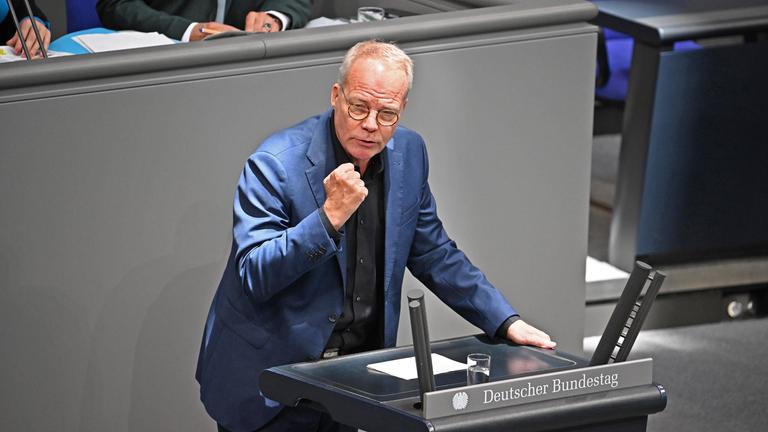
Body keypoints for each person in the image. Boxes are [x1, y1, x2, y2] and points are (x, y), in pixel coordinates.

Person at [195, 40, 557, 432]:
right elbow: (255, 274)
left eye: (387, 113)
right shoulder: (275, 164)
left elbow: (434, 252)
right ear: (337, 96)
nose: (371, 124)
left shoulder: (410, 153)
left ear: (402, 110)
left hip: (354, 379)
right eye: (359, 107)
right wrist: (329, 217)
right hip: (274, 382)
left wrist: (504, 321)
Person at [96, 0, 311, 42]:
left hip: (247, 58)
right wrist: (189, 31)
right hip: (167, 57)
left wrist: (274, 18)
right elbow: (116, 5)